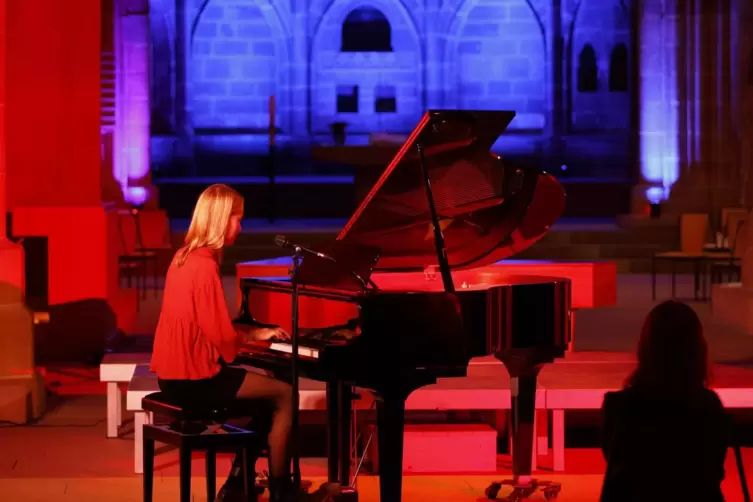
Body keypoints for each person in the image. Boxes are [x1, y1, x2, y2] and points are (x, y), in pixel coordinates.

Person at [150, 184, 302, 502]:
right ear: (220, 220)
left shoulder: (182, 257)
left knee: (266, 392)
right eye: (237, 218)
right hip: (196, 382)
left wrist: (245, 337)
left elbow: (203, 326)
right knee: (286, 394)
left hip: (171, 377)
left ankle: (239, 482)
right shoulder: (205, 266)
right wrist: (255, 336)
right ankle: (281, 490)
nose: (240, 226)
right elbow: (221, 338)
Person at [599, 300, 729, 502]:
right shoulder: (708, 406)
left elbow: (619, 468)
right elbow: (713, 472)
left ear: (646, 347)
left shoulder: (619, 407)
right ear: (696, 350)